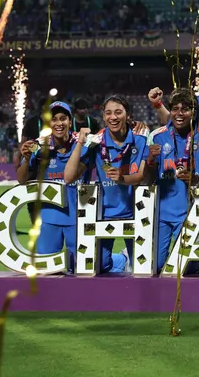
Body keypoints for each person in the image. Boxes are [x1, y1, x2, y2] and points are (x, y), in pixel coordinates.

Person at [64, 95, 149, 273]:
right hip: (105, 213)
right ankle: (123, 258)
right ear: (103, 116)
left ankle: (128, 257)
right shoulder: (96, 142)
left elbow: (143, 176)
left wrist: (122, 178)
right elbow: (69, 177)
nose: (113, 117)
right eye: (108, 113)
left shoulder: (140, 140)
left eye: (118, 112)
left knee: (144, 267)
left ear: (128, 115)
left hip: (136, 212)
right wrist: (80, 142)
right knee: (101, 266)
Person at [16, 101, 87, 272]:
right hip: (49, 218)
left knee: (80, 268)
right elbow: (21, 180)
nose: (59, 123)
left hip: (78, 217)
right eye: (54, 119)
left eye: (63, 118)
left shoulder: (84, 145)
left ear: (70, 121)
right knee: (45, 270)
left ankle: (120, 259)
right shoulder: (39, 147)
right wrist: (26, 158)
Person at [148, 88, 199, 270]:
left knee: (187, 268)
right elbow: (147, 178)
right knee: (156, 265)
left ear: (194, 111)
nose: (179, 113)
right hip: (162, 213)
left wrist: (196, 178)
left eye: (185, 109)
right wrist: (150, 160)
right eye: (175, 108)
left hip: (190, 213)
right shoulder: (157, 136)